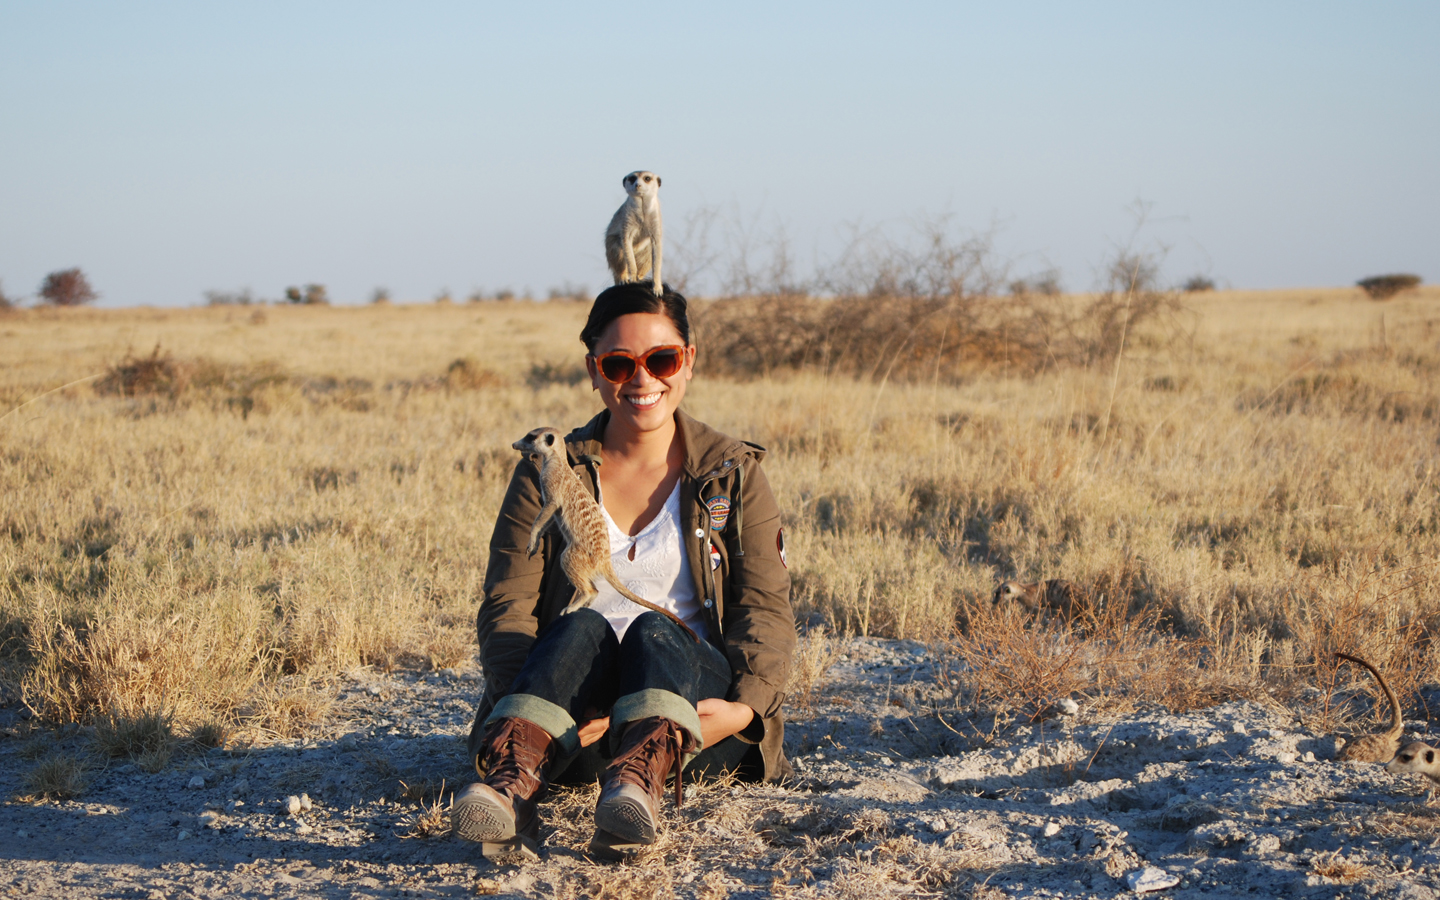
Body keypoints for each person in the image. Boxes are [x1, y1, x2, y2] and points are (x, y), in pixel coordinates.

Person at [453, 281, 796, 860]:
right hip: (570, 728)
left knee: (655, 630)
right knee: (582, 626)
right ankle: (511, 785)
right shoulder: (545, 470)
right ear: (593, 370)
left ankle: (635, 786)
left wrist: (742, 708)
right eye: (619, 363)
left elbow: (765, 606)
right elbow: (507, 604)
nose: (642, 380)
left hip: (693, 728)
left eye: (661, 359)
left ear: (688, 363)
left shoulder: (732, 473)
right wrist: (539, 696)